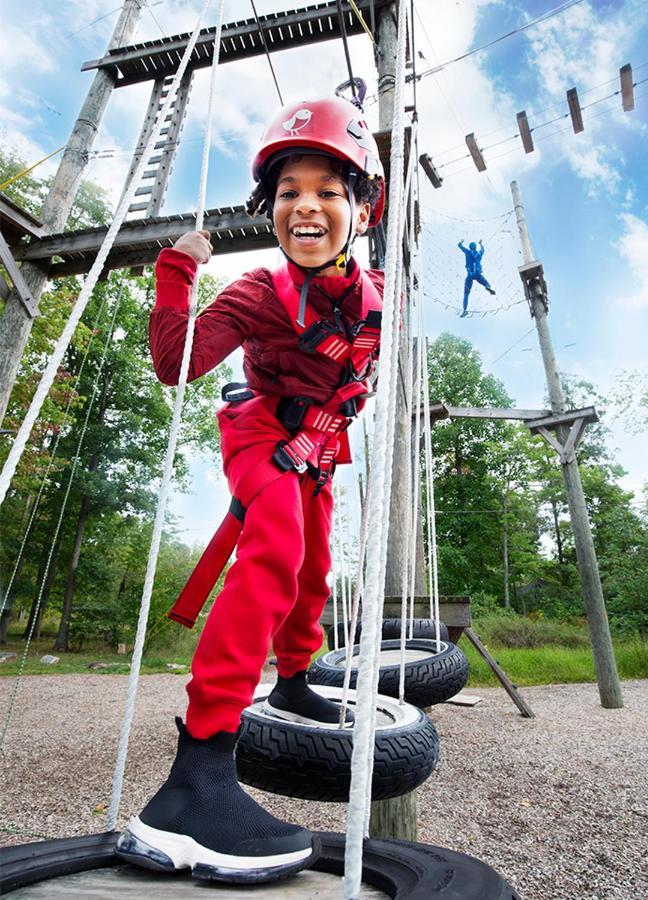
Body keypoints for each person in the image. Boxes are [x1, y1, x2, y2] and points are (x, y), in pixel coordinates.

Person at [115, 94, 385, 884]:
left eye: (328, 192)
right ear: (271, 211)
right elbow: (177, 363)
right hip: (261, 430)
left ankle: (296, 678)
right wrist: (177, 270)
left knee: (312, 569)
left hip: (320, 444)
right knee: (275, 547)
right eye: (289, 193)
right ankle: (195, 778)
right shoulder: (258, 294)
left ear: (360, 211)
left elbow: (355, 376)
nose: (306, 207)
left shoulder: (374, 298)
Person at [457, 238, 495, 316]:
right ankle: (487, 286)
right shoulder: (479, 254)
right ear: (475, 247)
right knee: (485, 282)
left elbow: (459, 245)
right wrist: (481, 243)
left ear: (470, 247)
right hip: (478, 273)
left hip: (470, 274)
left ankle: (465, 310)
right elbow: (483, 250)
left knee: (466, 293)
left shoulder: (467, 252)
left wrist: (461, 241)